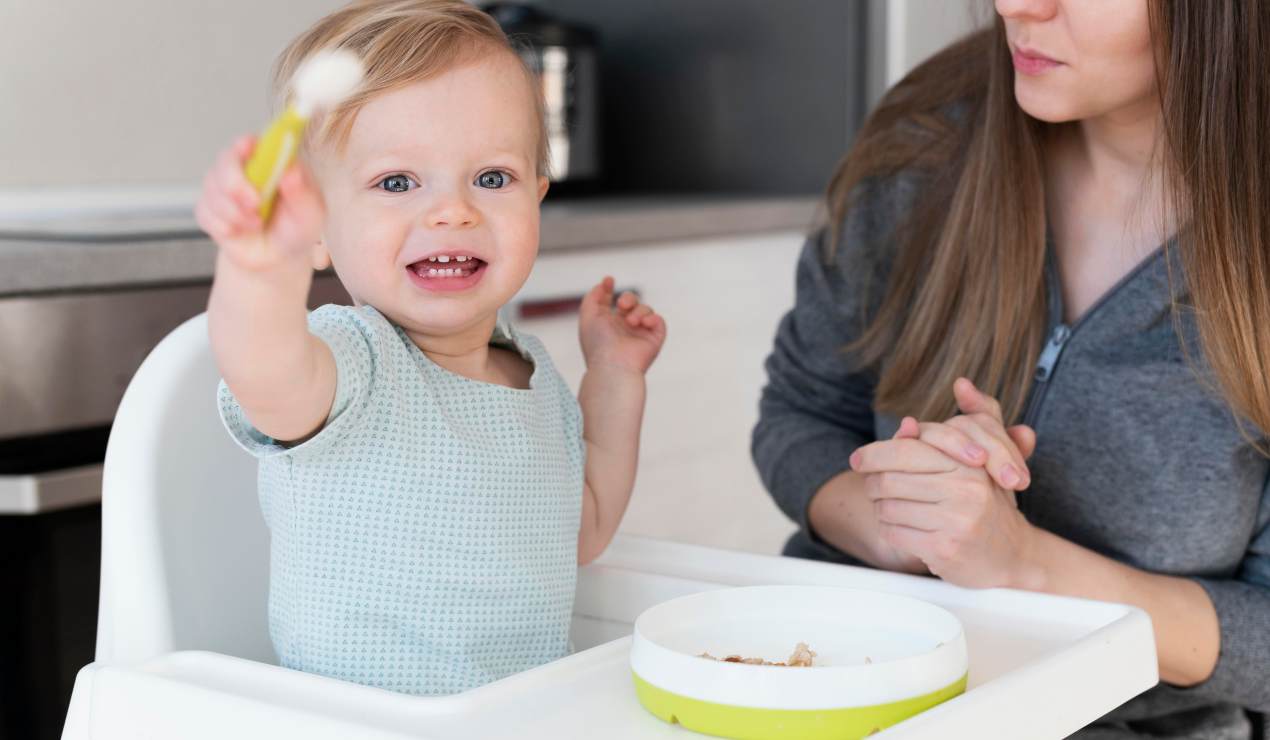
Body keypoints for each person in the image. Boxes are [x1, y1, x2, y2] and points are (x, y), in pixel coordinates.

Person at [752, 1, 1269, 737]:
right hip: (843, 698)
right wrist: (910, 524)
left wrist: (1021, 564)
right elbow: (798, 415)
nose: (1017, 5)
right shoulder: (927, 140)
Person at [195, 0, 666, 696]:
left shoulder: (531, 374)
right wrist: (263, 265)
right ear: (318, 228)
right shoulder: (352, 362)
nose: (453, 210)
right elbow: (263, 369)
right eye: (397, 183)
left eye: (492, 178)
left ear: (537, 198)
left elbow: (582, 531)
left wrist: (615, 375)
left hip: (520, 715)